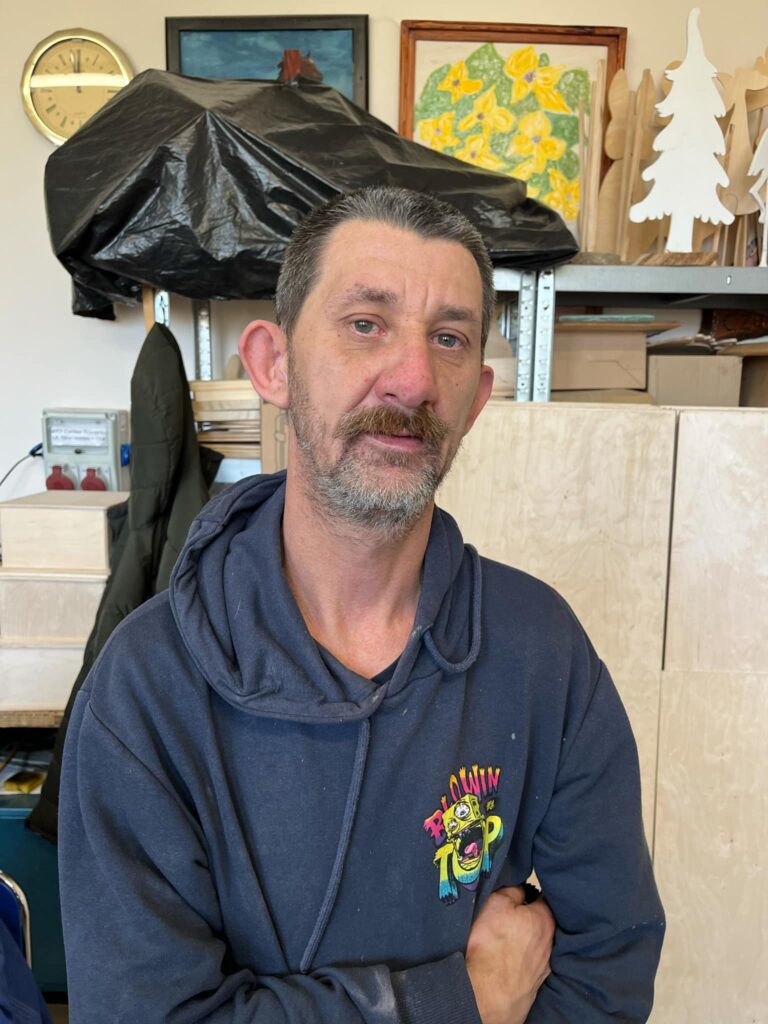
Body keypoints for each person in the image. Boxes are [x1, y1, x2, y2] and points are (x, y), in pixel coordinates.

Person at [59, 186, 665, 1024]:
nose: (413, 379)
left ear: (476, 398)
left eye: (448, 338)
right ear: (273, 365)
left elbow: (608, 970)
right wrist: (463, 1001)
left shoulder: (541, 652)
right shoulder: (145, 691)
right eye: (365, 324)